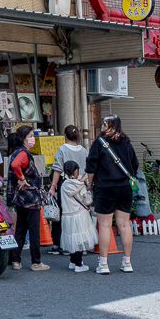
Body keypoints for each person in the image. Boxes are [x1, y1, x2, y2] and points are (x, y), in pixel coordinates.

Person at [83, 114, 138, 274]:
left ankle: (104, 264)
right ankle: (127, 262)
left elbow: (91, 167)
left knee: (105, 225)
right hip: (124, 187)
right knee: (124, 225)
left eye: (105, 124)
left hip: (105, 188)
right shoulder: (127, 143)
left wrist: (90, 184)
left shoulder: (99, 143)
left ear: (112, 126)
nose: (102, 126)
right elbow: (135, 164)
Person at [6, 125, 49, 271]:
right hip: (30, 197)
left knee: (20, 229)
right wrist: (22, 178)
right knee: (34, 230)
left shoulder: (15, 152)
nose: (32, 139)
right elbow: (16, 165)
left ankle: (16, 261)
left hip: (20, 198)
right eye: (30, 136)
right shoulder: (23, 153)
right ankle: (36, 262)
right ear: (23, 139)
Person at [47, 125, 90, 254]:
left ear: (65, 136)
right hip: (80, 184)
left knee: (62, 214)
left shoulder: (62, 150)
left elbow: (57, 169)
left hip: (65, 185)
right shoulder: (84, 151)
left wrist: (53, 187)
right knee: (80, 214)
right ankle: (81, 244)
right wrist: (84, 182)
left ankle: (60, 244)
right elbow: (88, 169)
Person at [60, 160, 96, 273]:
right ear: (76, 171)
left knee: (71, 238)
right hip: (79, 214)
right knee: (79, 240)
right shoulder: (80, 185)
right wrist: (88, 190)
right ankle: (79, 265)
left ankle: (72, 261)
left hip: (67, 216)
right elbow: (87, 201)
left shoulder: (64, 184)